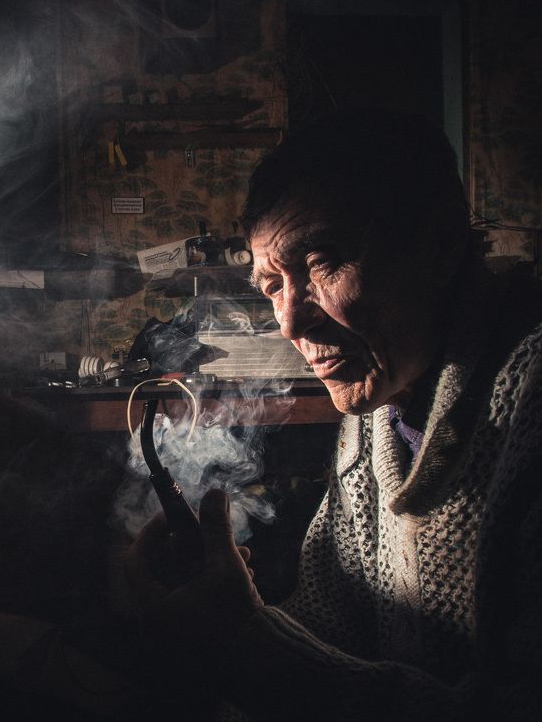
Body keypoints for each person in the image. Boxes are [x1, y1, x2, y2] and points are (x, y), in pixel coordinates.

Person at [124, 110, 542, 721]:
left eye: (322, 263)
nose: (290, 321)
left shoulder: (528, 404)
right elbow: (329, 625)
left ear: (440, 246)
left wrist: (244, 642)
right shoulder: (376, 410)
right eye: (272, 285)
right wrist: (220, 614)